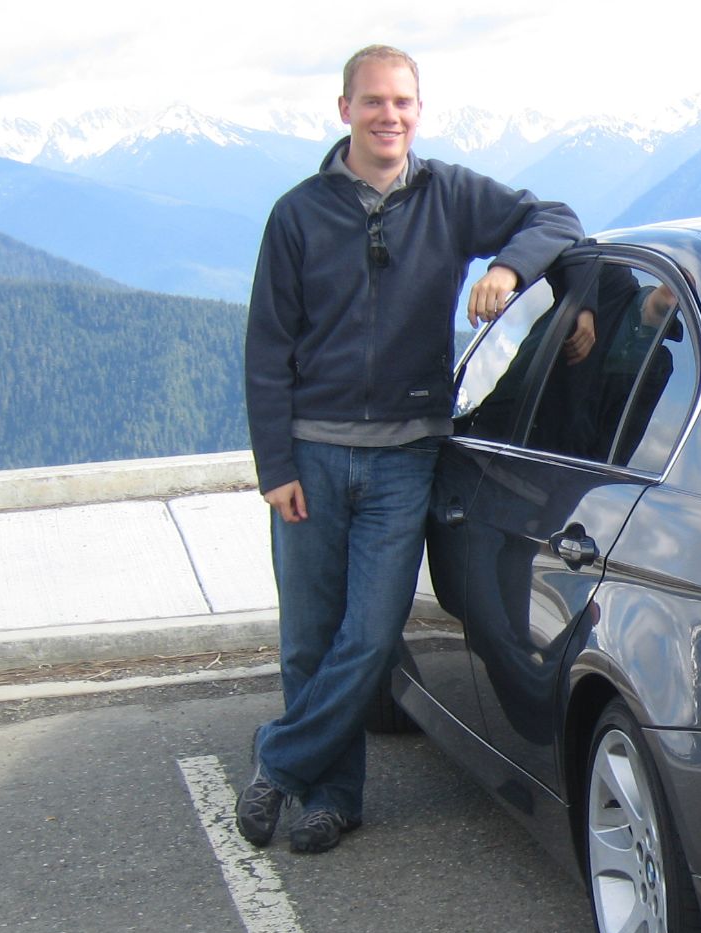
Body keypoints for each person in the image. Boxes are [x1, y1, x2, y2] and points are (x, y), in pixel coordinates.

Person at [238, 44, 591, 854]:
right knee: (308, 638)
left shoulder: (452, 196)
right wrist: (276, 470)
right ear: (344, 112)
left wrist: (509, 268)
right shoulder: (298, 214)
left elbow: (558, 220)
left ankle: (278, 765)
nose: (387, 116)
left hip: (405, 459)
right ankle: (330, 798)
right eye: (372, 103)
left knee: (368, 637)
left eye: (401, 102)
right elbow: (266, 349)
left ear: (417, 112)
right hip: (312, 458)